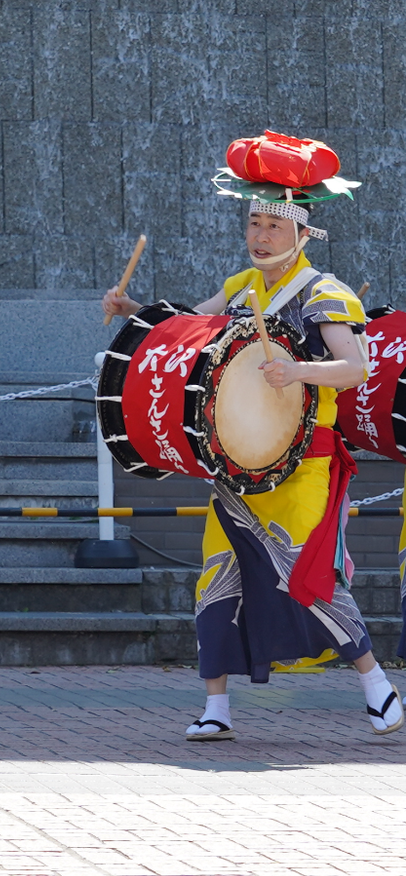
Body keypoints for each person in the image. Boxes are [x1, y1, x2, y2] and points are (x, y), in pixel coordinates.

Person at [102, 133, 402, 741]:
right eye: (253, 222)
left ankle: (379, 689)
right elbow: (194, 330)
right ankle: (216, 707)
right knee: (218, 572)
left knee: (306, 579)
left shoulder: (326, 294)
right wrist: (135, 309)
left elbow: (356, 368)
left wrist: (297, 371)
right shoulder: (243, 284)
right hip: (238, 462)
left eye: (271, 224)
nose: (259, 235)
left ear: (302, 231)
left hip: (303, 463)